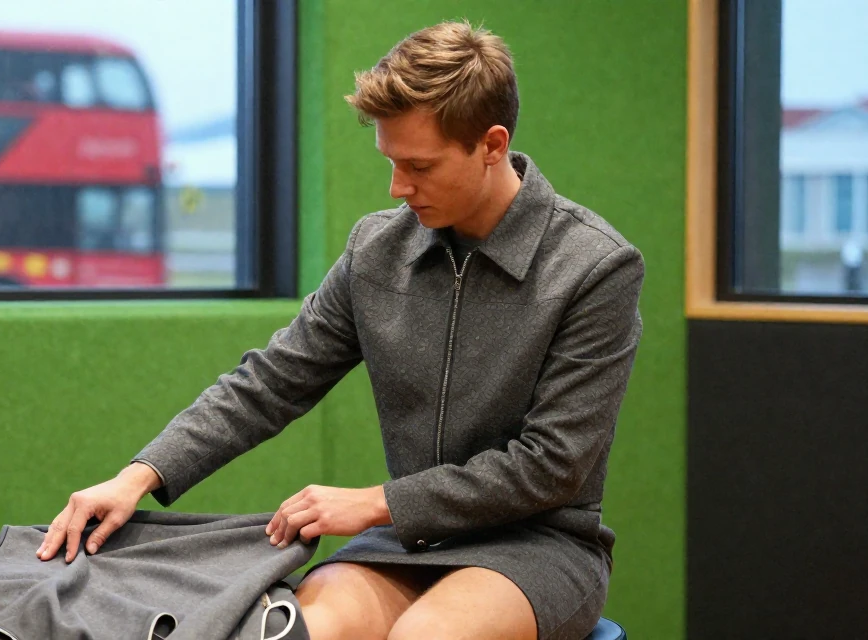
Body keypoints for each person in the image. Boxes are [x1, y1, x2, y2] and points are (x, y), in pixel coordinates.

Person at [37, 20, 643, 640]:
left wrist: (377, 502)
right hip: (409, 539)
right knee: (299, 632)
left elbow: (551, 466)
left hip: (540, 546)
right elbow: (270, 382)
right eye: (391, 161)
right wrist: (139, 476)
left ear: (491, 144)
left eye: (420, 165)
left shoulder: (595, 267)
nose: (398, 188)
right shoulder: (376, 250)